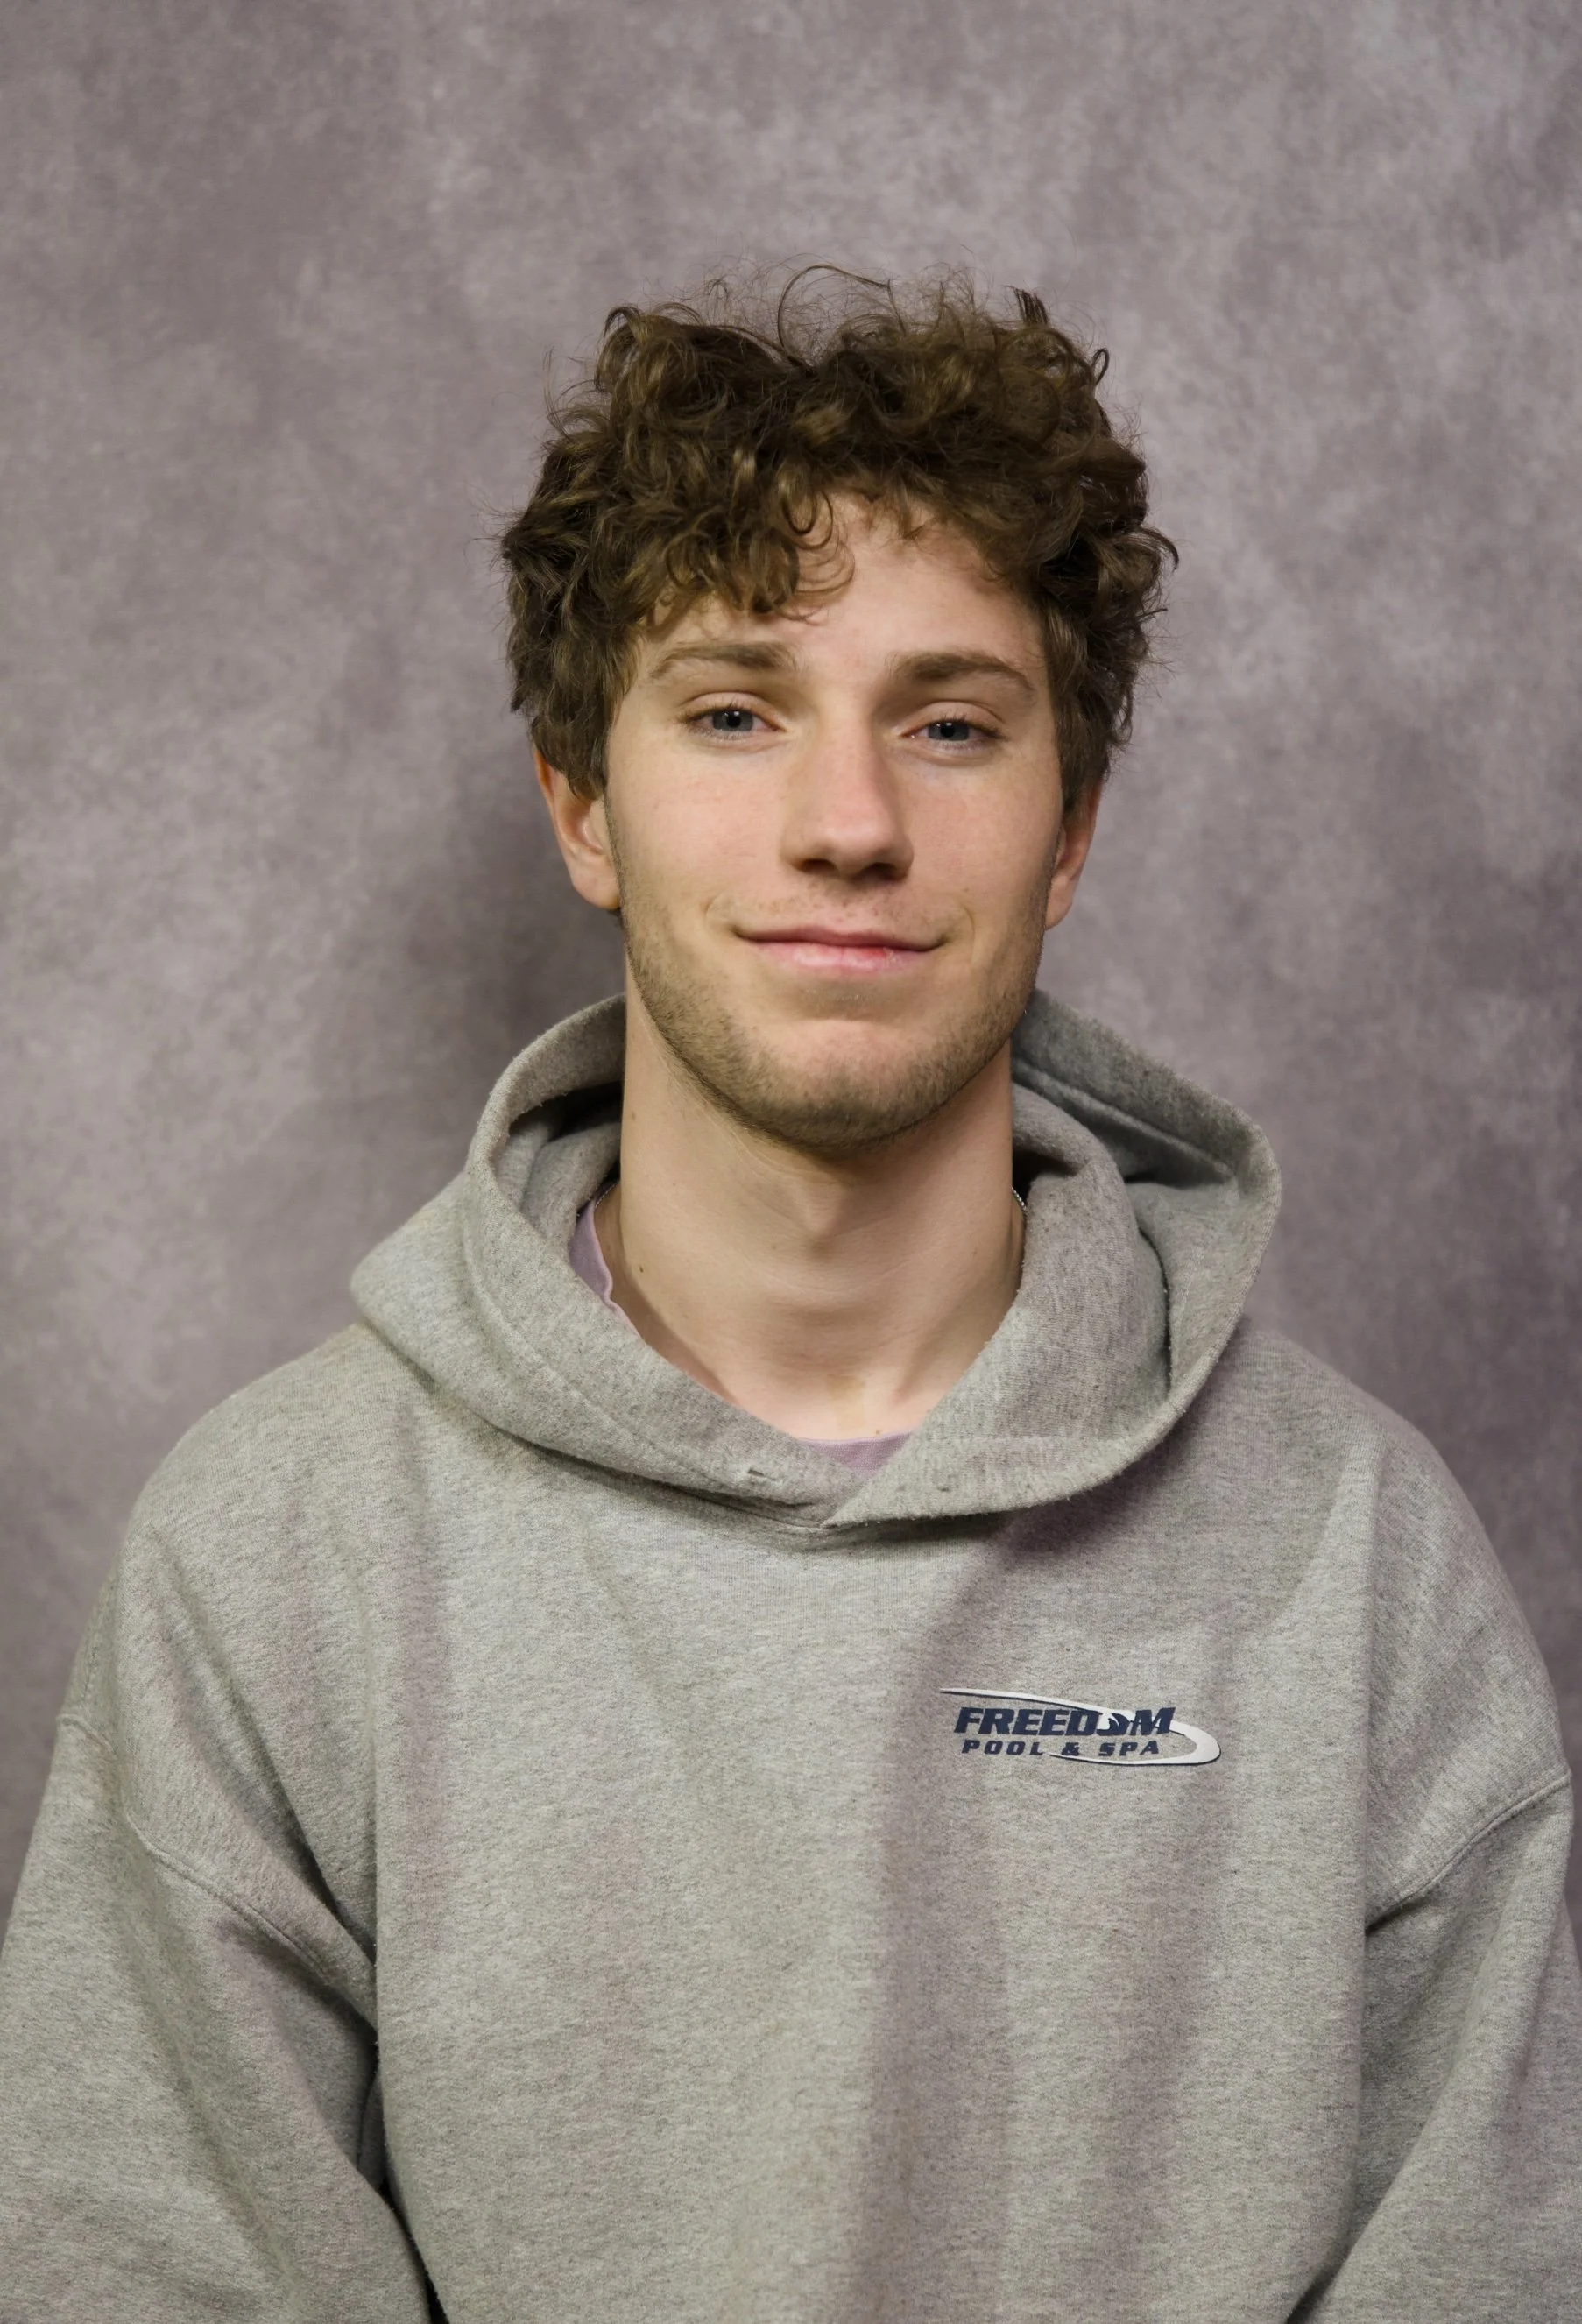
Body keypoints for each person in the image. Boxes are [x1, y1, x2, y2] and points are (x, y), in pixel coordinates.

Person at [0, 273, 1577, 2324]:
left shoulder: (1359, 1563)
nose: (848, 824)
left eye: (950, 725)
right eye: (737, 710)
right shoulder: (277, 1557)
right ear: (584, 804)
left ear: (1071, 828)